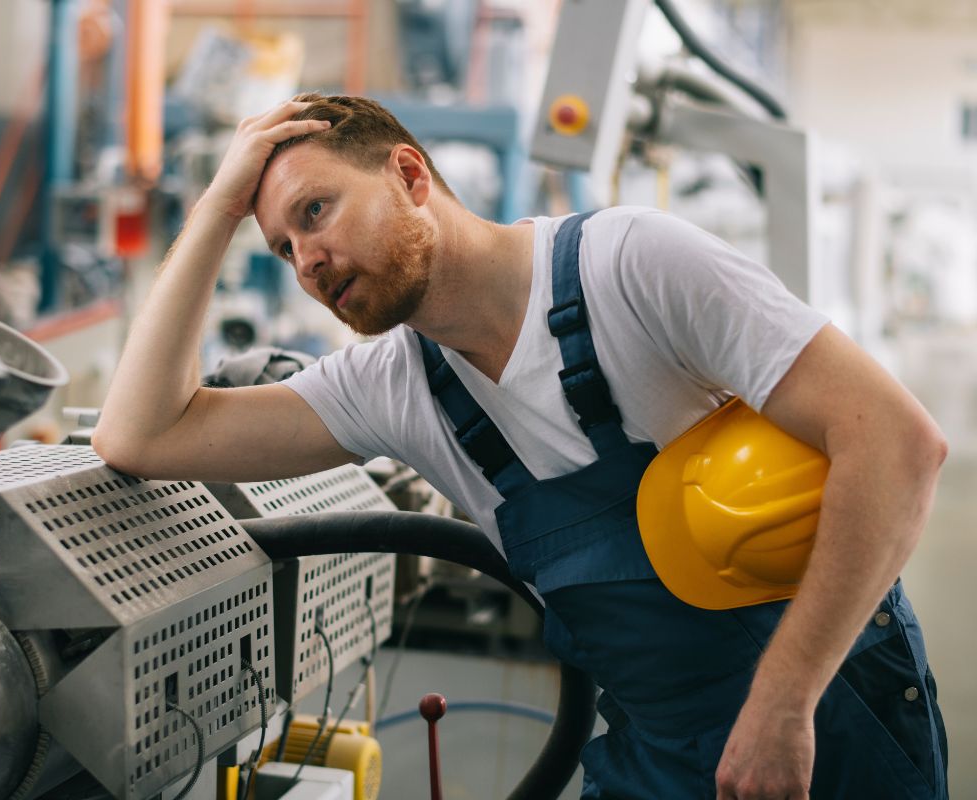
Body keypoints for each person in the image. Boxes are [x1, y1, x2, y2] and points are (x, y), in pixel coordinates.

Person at [93, 94, 949, 800]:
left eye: (316, 211)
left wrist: (784, 703)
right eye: (282, 248)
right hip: (660, 753)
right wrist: (213, 207)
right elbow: (139, 435)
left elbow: (897, 444)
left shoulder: (631, 267)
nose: (307, 261)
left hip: (830, 715)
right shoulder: (392, 387)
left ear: (408, 173)